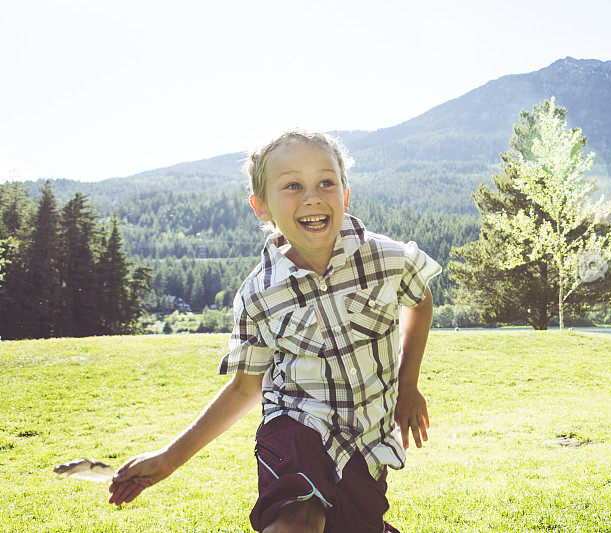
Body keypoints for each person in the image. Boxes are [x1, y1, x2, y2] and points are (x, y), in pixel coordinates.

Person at [108, 130, 441, 533]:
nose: (313, 197)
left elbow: (419, 302)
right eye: (292, 186)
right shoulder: (258, 295)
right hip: (295, 429)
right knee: (296, 516)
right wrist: (167, 459)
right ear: (261, 207)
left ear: (345, 194)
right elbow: (245, 389)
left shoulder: (388, 258)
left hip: (365, 443)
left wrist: (408, 385)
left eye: (326, 182)